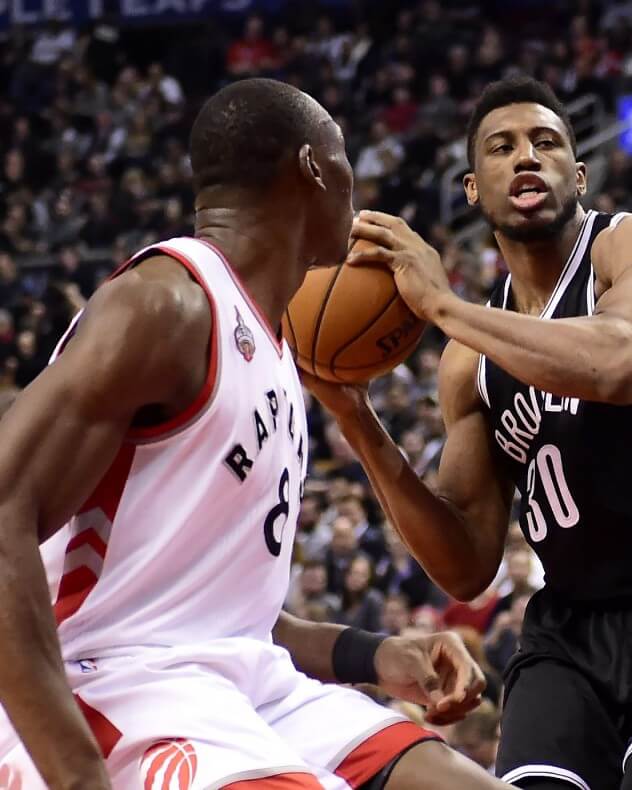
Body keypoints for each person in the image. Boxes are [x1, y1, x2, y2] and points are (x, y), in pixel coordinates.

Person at [305, 76, 632, 790]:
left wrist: (444, 305)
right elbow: (465, 563)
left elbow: (622, 366)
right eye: (502, 148)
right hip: (571, 623)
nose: (526, 158)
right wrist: (355, 416)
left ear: (578, 174)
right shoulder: (467, 361)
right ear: (474, 188)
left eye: (546, 144)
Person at [0, 79, 504, 790]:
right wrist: (80, 776)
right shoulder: (167, 305)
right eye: (347, 168)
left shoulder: (273, 347)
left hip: (251, 684)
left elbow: (226, 616)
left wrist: (377, 655)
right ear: (313, 166)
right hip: (122, 687)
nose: (356, 195)